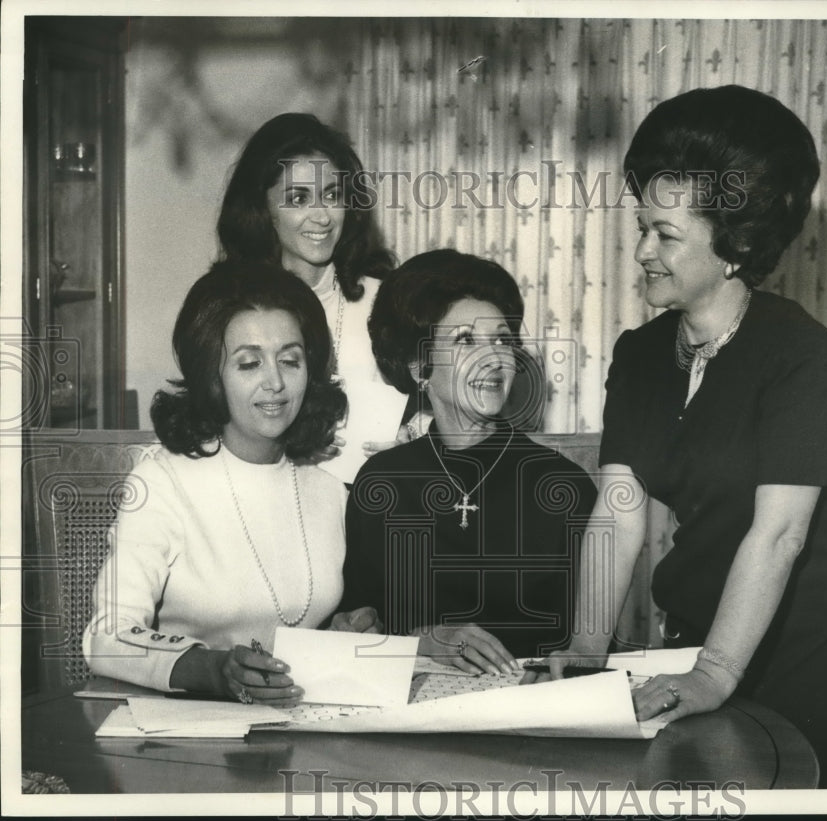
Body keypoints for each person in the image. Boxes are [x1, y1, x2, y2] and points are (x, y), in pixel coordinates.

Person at [534, 85, 827, 788]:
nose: (641, 251)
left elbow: (778, 535)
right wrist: (583, 650)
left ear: (732, 246)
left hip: (802, 638)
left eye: (665, 234)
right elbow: (618, 512)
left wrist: (715, 673)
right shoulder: (638, 353)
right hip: (696, 627)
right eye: (641, 226)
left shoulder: (800, 355)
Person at [83, 261, 377, 704]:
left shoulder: (330, 490)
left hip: (297, 726)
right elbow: (108, 636)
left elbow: (302, 624)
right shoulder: (162, 480)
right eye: (249, 363)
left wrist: (341, 633)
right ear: (212, 376)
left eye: (290, 360)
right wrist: (213, 669)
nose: (275, 382)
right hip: (181, 729)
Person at [340, 250, 597, 673]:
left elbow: (585, 649)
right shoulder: (381, 483)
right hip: (408, 716)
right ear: (419, 366)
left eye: (501, 340)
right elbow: (356, 631)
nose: (493, 359)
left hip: (531, 714)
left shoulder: (563, 486)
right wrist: (423, 641)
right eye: (465, 341)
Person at [217, 113, 410, 485]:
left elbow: (434, 402)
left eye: (332, 195)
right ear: (263, 208)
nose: (321, 216)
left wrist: (413, 440)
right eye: (299, 198)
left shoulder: (385, 298)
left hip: (368, 504)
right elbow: (211, 421)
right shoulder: (227, 308)